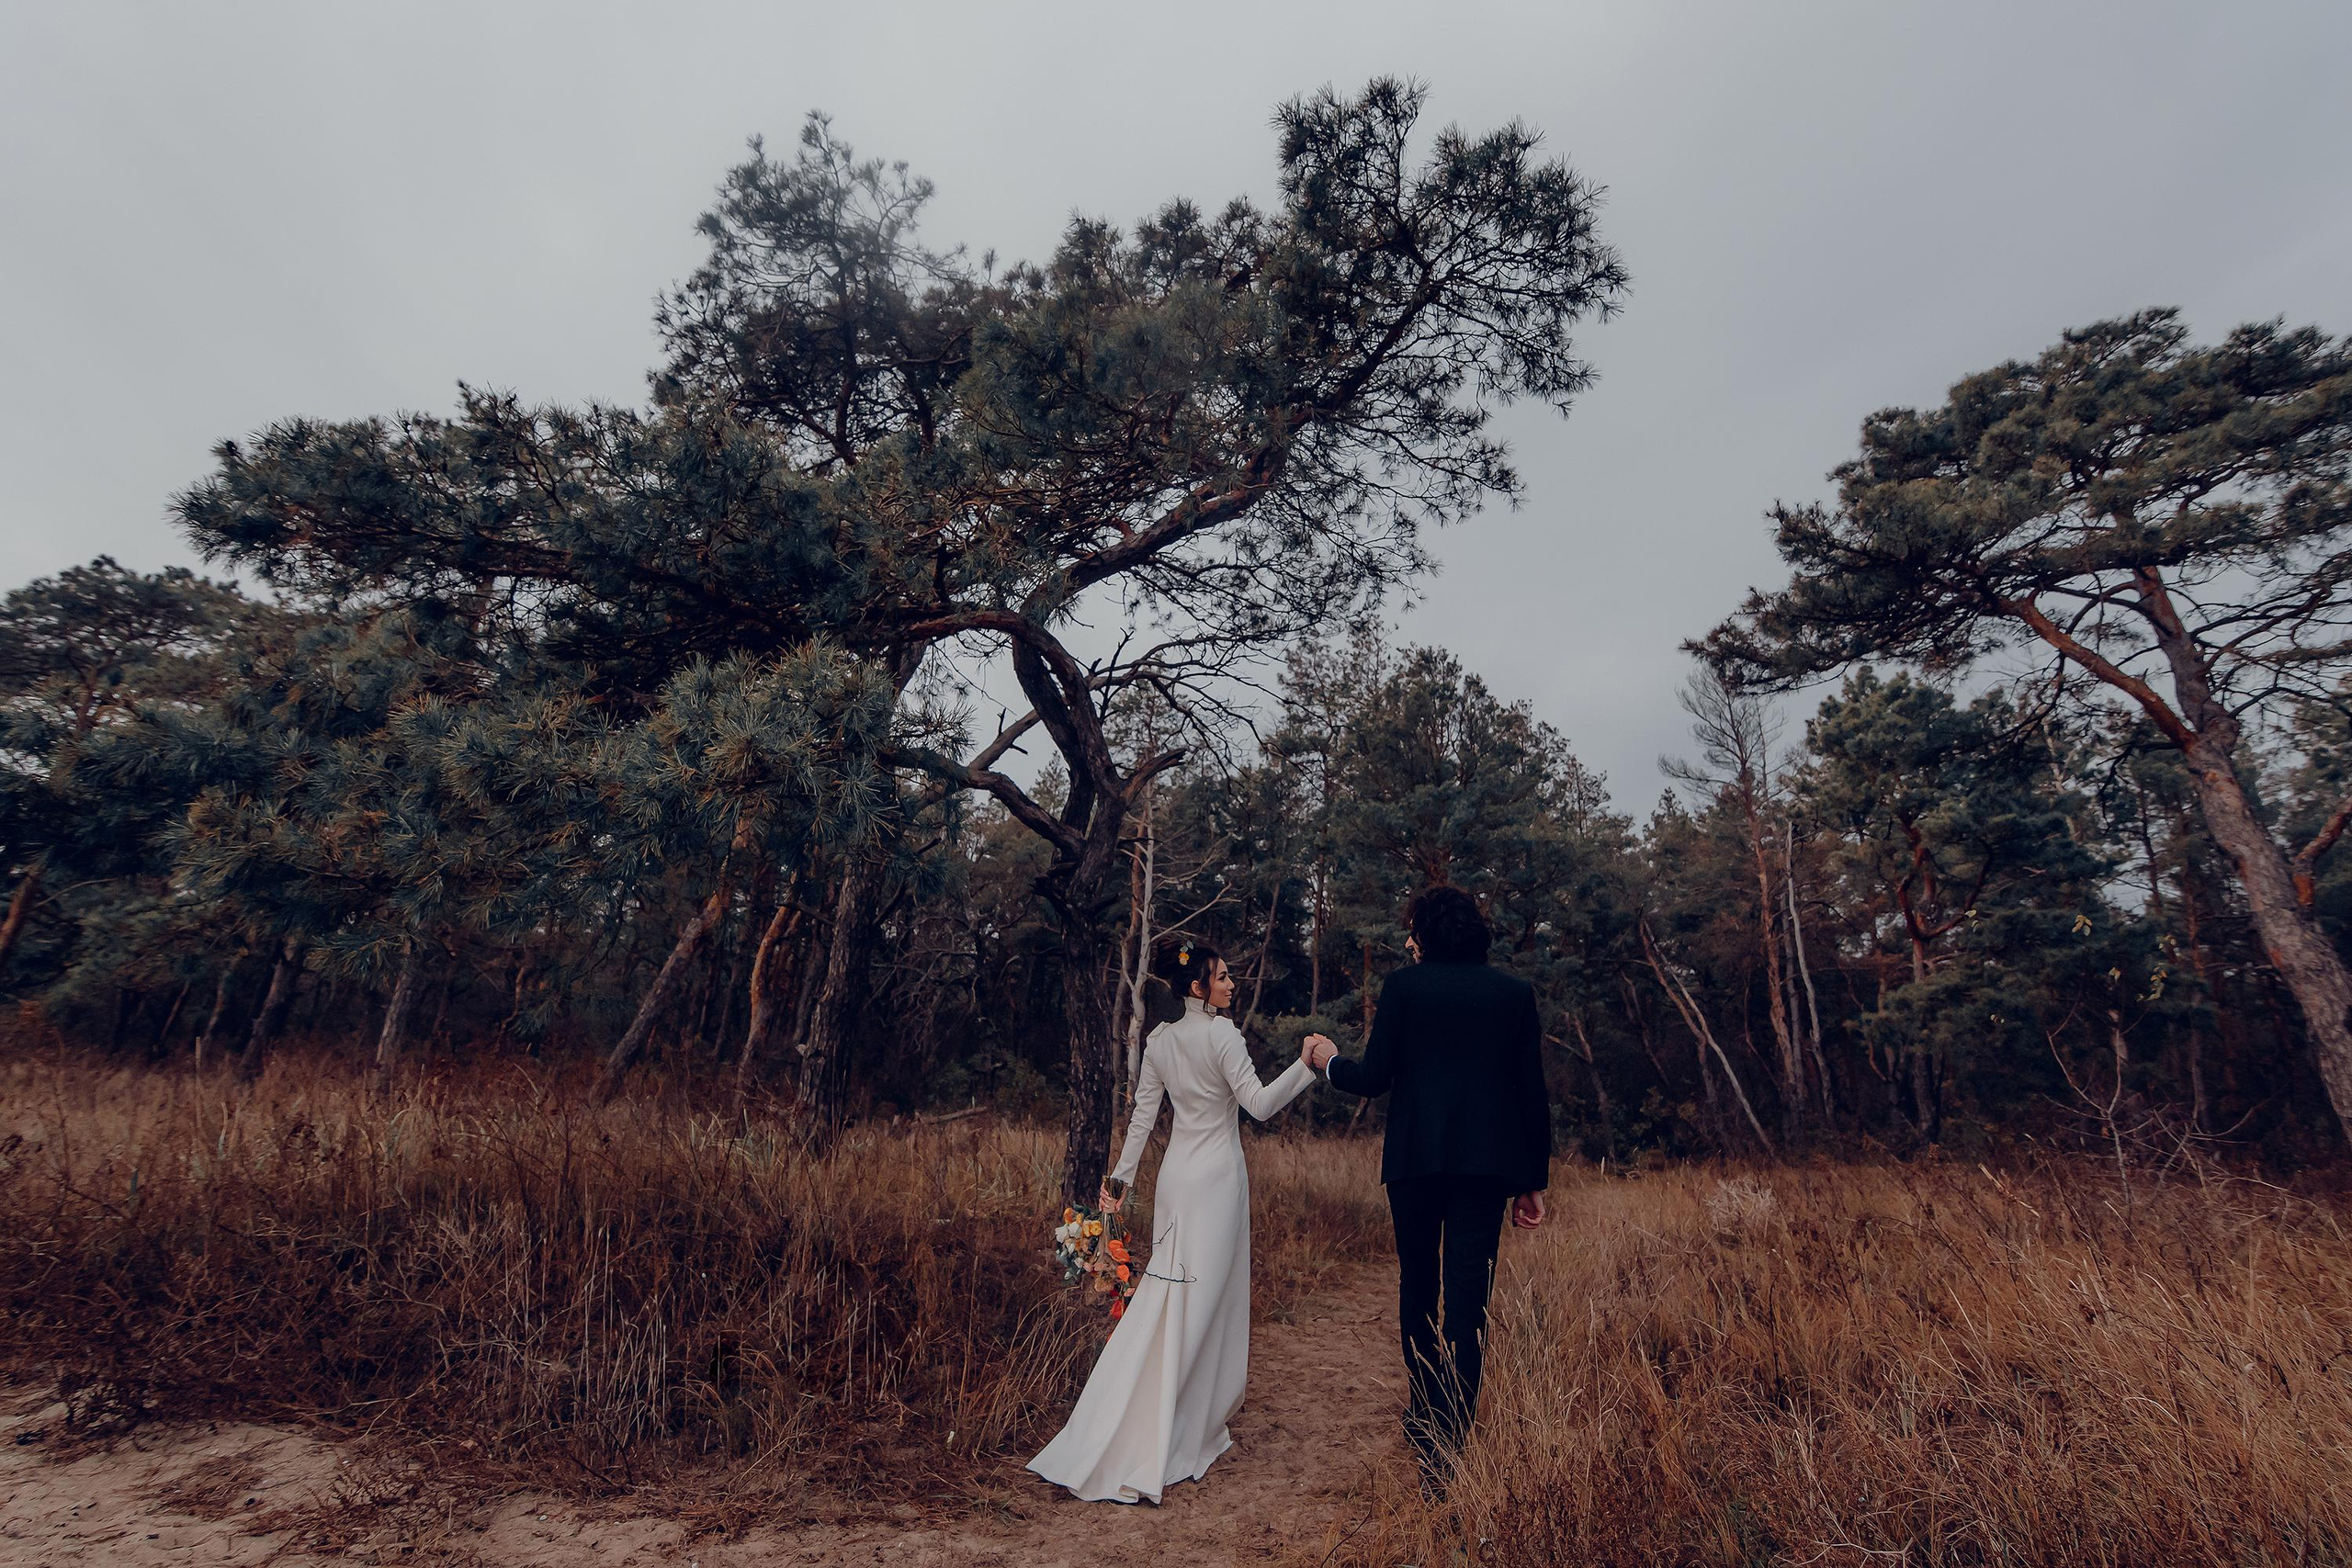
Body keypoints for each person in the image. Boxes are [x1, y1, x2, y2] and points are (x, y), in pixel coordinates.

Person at [1027, 938, 1318, 1504]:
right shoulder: (1221, 1035)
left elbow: (1141, 1118)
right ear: (1197, 987)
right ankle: (1169, 1426)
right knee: (1203, 1304)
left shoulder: (1160, 1041)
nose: (1232, 984)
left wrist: (1120, 1181)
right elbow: (1259, 1106)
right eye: (1223, 976)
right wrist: (1305, 1066)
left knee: (1171, 1301)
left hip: (1175, 1181)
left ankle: (1162, 1415)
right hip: (1215, 1185)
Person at [1304, 885, 1549, 1490]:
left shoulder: (1404, 989)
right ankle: (1449, 1442)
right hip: (1487, 1170)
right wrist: (1531, 1181)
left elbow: (1373, 1078)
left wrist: (1328, 1060)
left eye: (1412, 928)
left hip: (1415, 1164)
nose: (1407, 940)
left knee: (1418, 1288)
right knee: (1470, 1302)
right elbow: (1531, 1096)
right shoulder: (1513, 995)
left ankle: (1422, 1411)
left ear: (1427, 933)